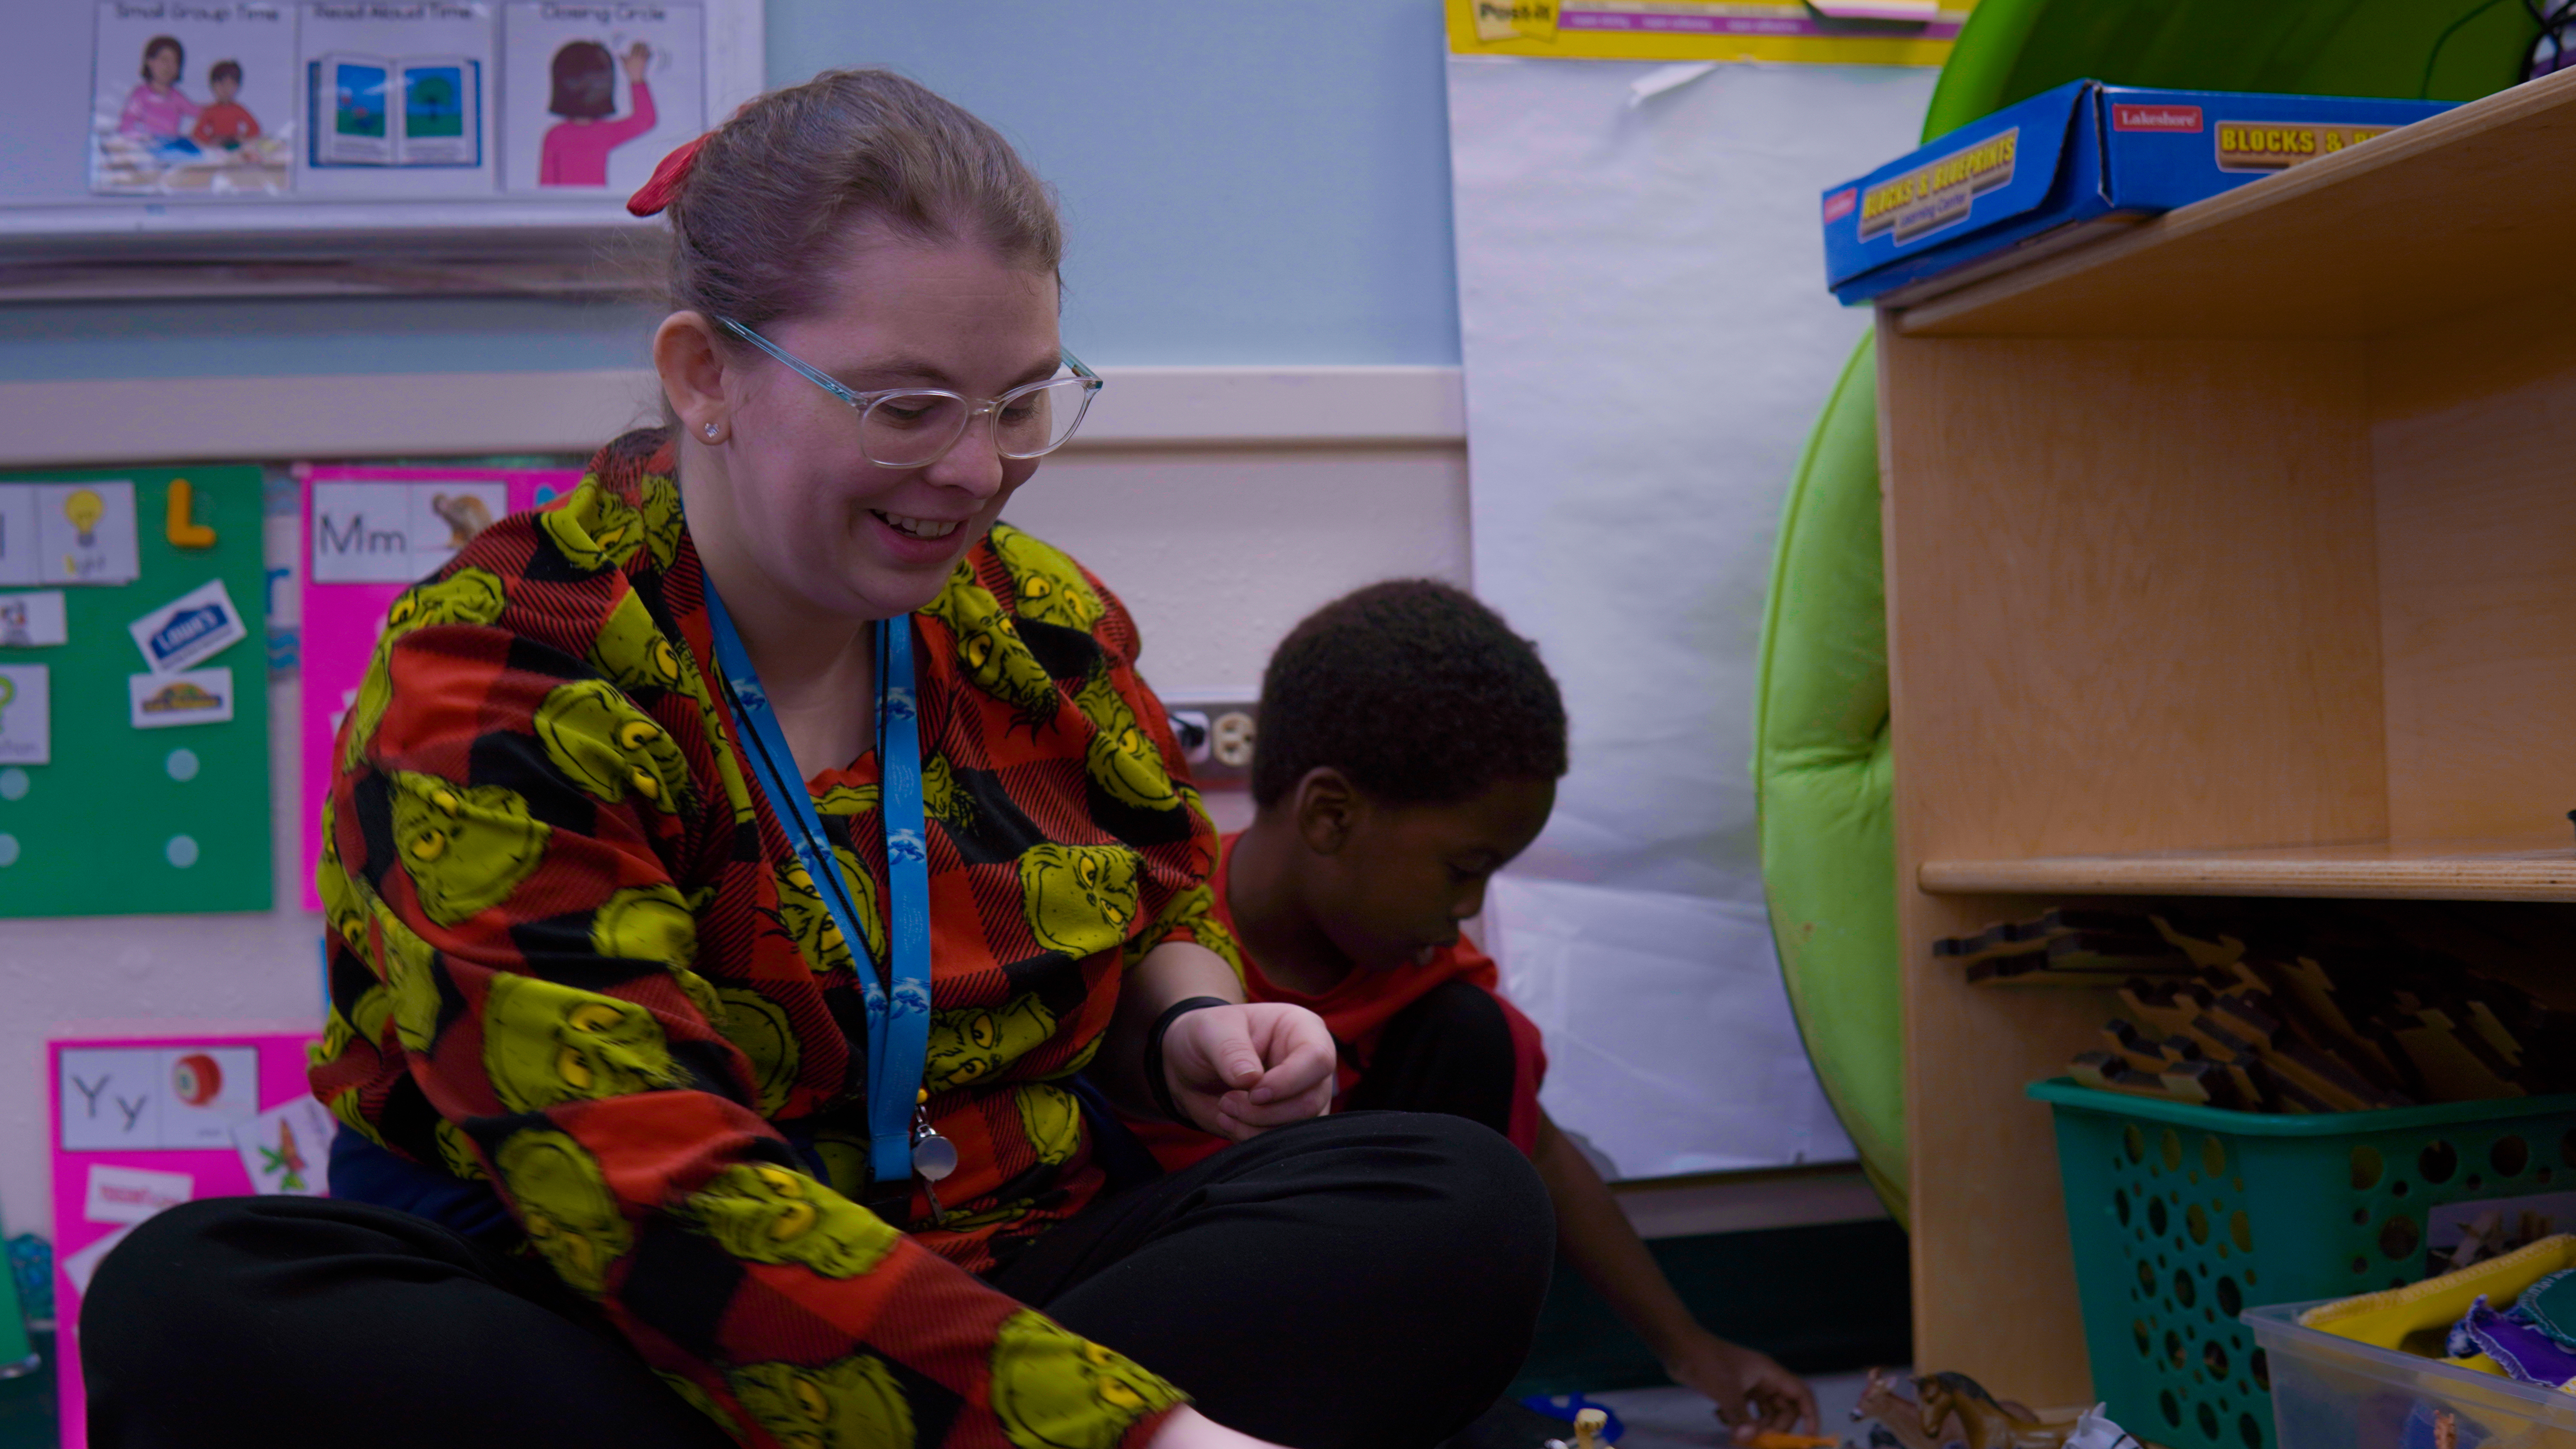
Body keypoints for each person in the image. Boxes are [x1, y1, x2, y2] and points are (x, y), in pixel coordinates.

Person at [80, 71, 1552, 1449]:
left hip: (1005, 1261)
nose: (975, 469)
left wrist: (1194, 1022)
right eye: (905, 405)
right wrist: (1146, 1428)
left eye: (1022, 400)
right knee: (195, 1294)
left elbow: (1158, 885)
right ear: (706, 375)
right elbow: (632, 1173)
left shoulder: (1039, 621)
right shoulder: (495, 672)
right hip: (633, 1299)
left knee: (1455, 1195)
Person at [1133, 581, 1821, 1443]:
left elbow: (1537, 1144)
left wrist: (1694, 1352)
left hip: (1360, 1347)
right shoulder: (1158, 942)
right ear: (1330, 814)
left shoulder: (1420, 976)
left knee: (1478, 1031)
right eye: (1465, 868)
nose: (1470, 907)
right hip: (1180, 1344)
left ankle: (1426, 1405)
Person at [541, 39, 658, 186]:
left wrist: (637, 79)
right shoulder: (557, 136)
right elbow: (546, 185)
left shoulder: (558, 135)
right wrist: (636, 78)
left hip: (588, 206)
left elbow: (645, 120)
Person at [117, 35, 199, 149]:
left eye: (174, 62)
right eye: (164, 60)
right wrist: (143, 139)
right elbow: (127, 125)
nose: (168, 67)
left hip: (171, 145)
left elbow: (197, 112)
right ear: (150, 62)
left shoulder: (176, 97)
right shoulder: (141, 95)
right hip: (148, 147)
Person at [191, 60, 261, 149]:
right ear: (213, 86)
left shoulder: (238, 109)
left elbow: (255, 128)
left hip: (235, 145)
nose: (225, 89)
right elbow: (197, 132)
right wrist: (210, 140)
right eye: (221, 84)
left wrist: (243, 138)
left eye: (230, 84)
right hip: (217, 148)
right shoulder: (211, 111)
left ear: (237, 86)